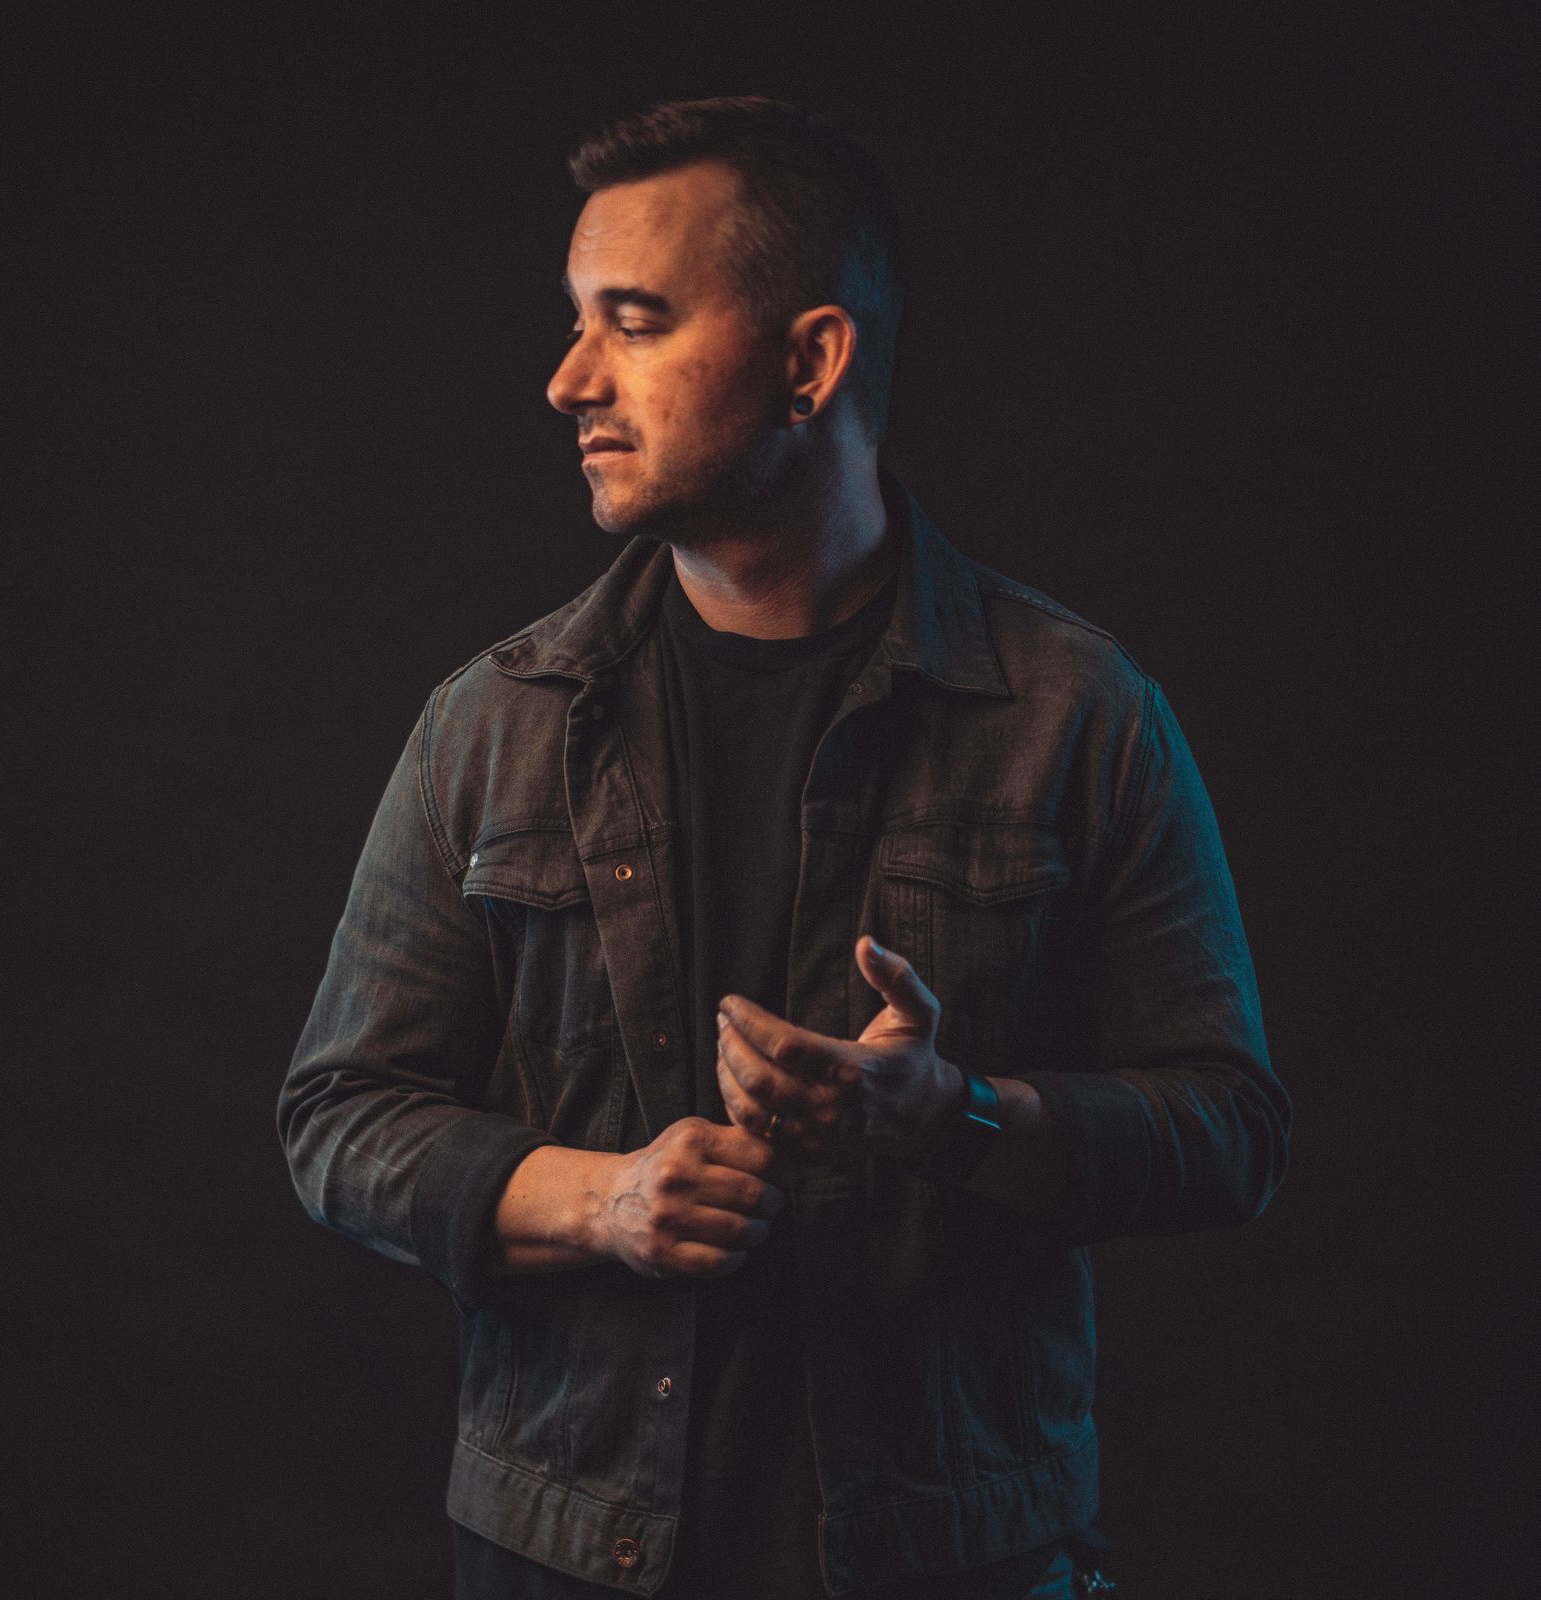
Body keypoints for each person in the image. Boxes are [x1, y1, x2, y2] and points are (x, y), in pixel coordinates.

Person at [277, 96, 1290, 1600]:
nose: (569, 379)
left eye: (634, 322)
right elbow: (338, 1118)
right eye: (576, 322)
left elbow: (1229, 1130)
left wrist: (952, 1114)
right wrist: (601, 1201)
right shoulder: (493, 723)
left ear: (812, 362)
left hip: (947, 1558)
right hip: (570, 1557)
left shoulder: (1075, 712)